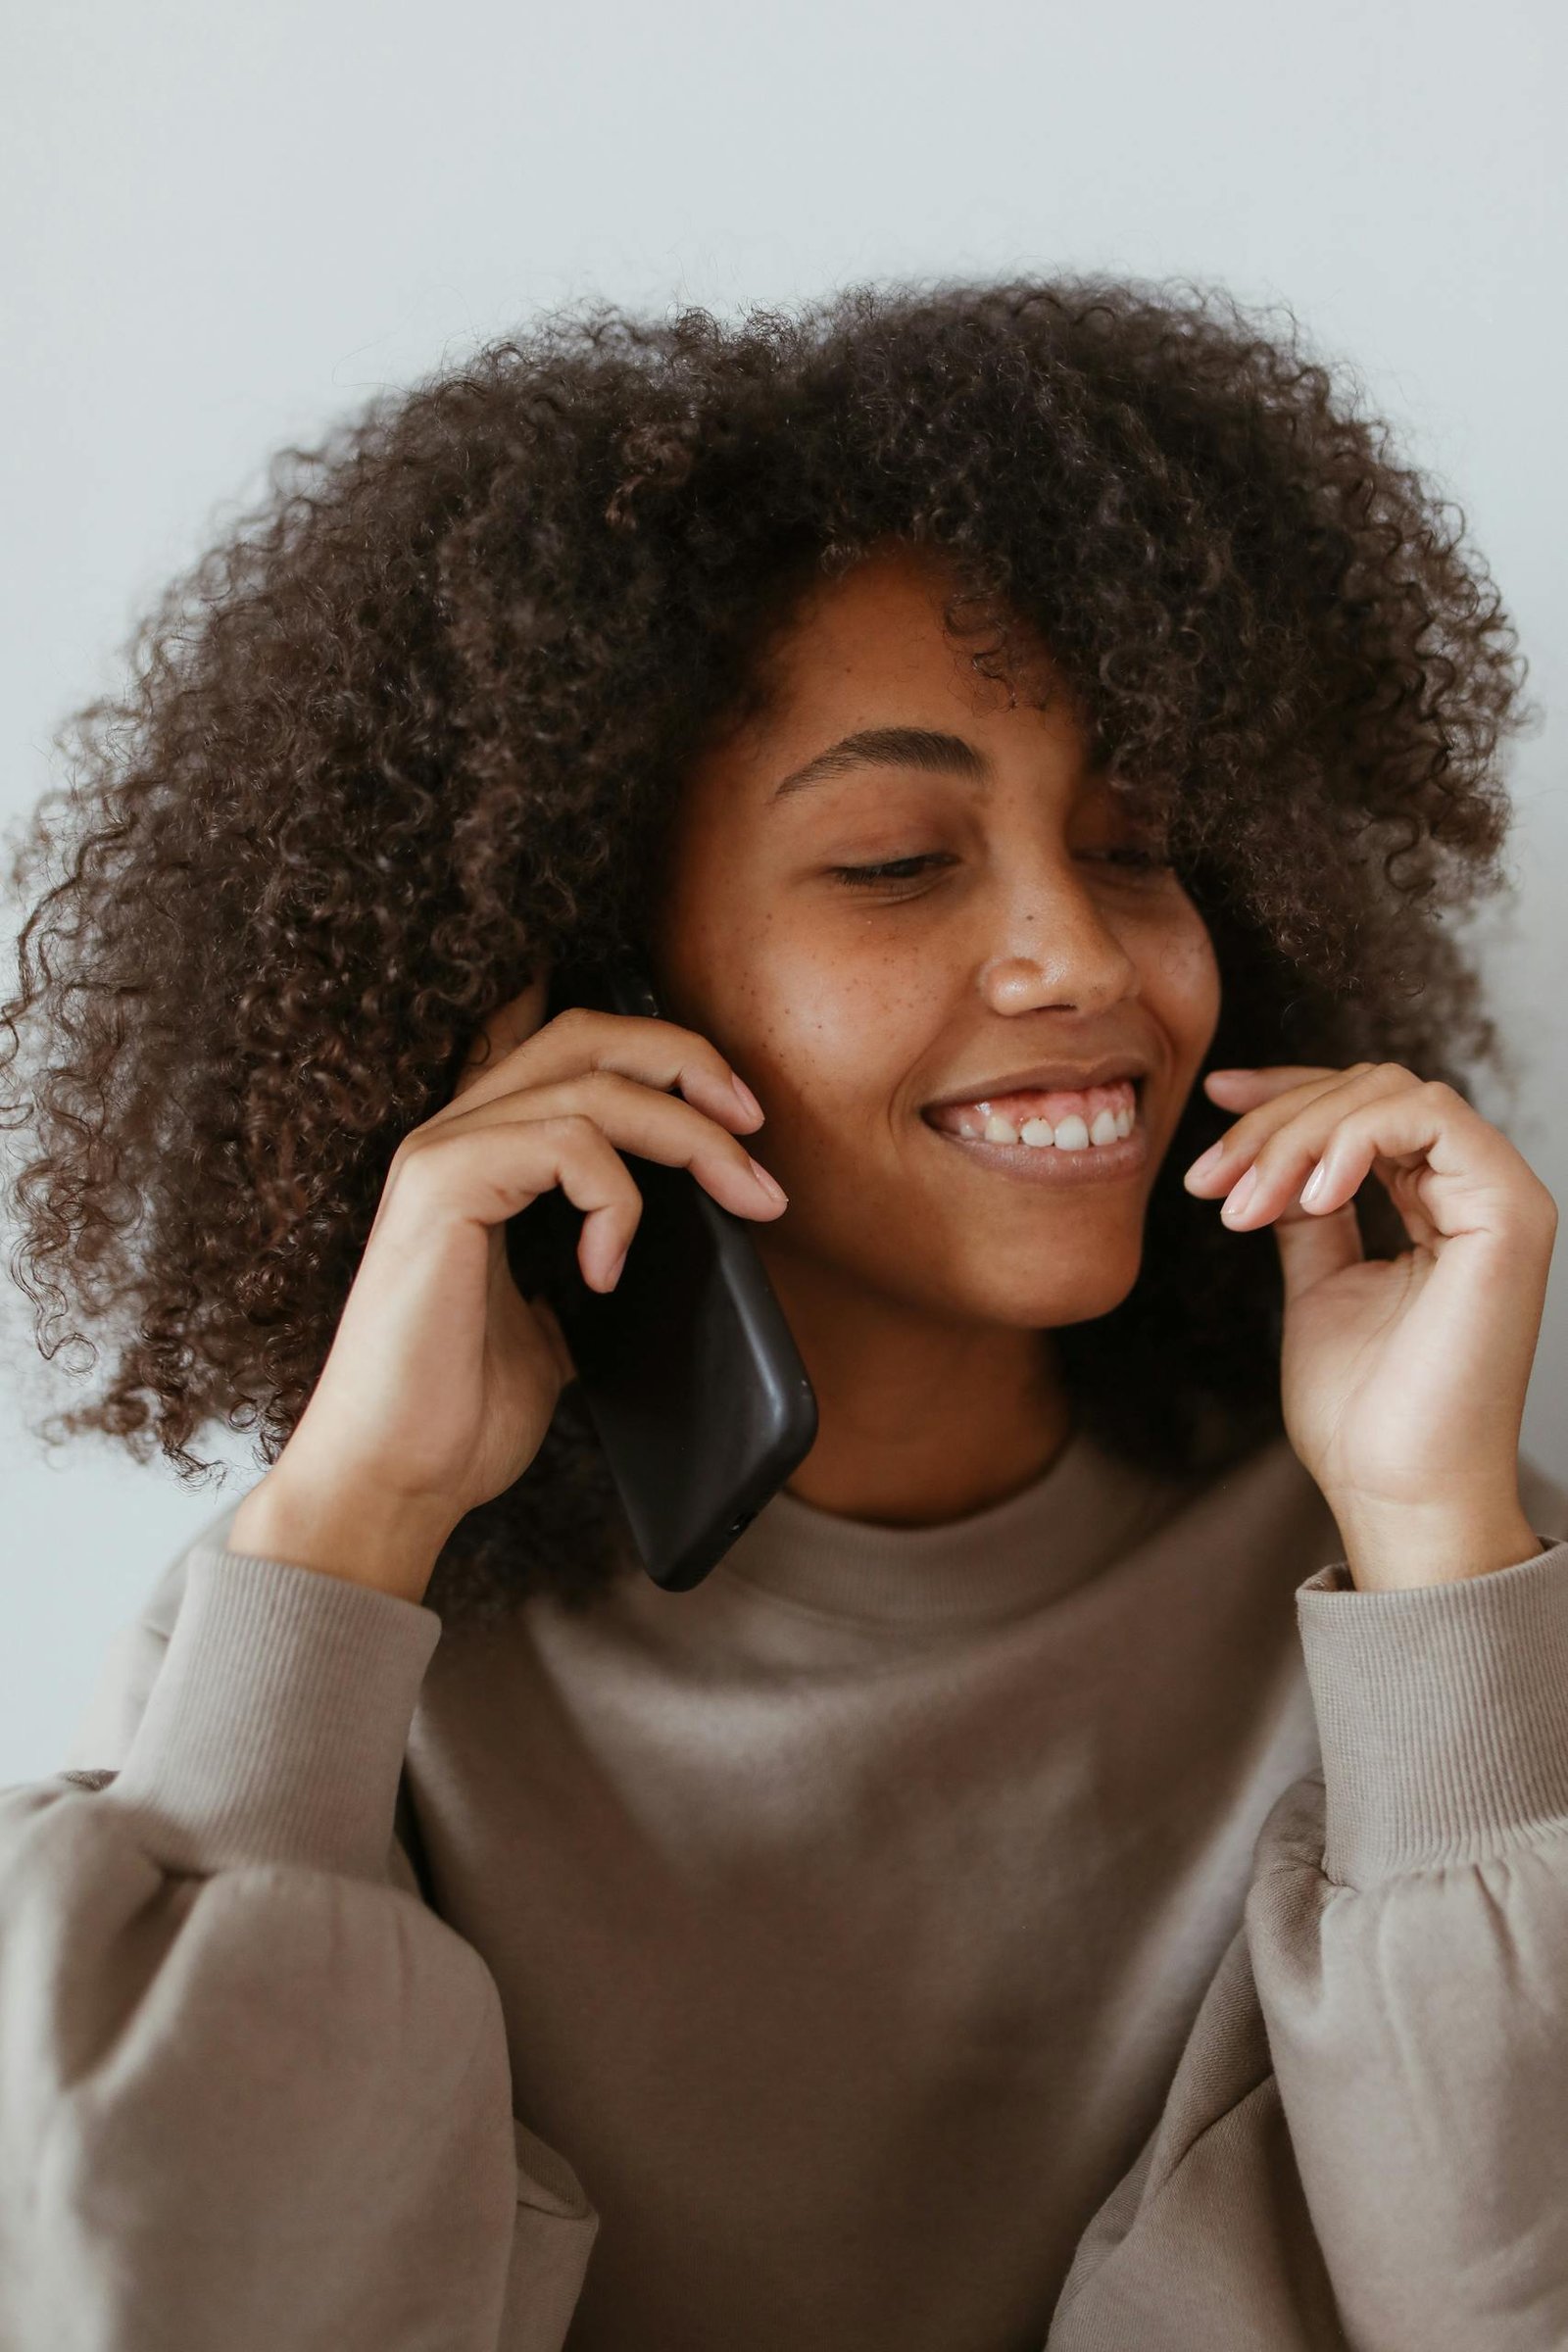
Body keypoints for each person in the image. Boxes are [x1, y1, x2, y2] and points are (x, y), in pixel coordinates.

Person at [0, 278, 1563, 2352]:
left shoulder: (1422, 1581)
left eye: (1134, 844)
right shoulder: (338, 1645)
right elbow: (152, 2287)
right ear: (595, 996)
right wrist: (358, 1508)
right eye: (899, 859)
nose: (1070, 951)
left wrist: (1438, 1541)